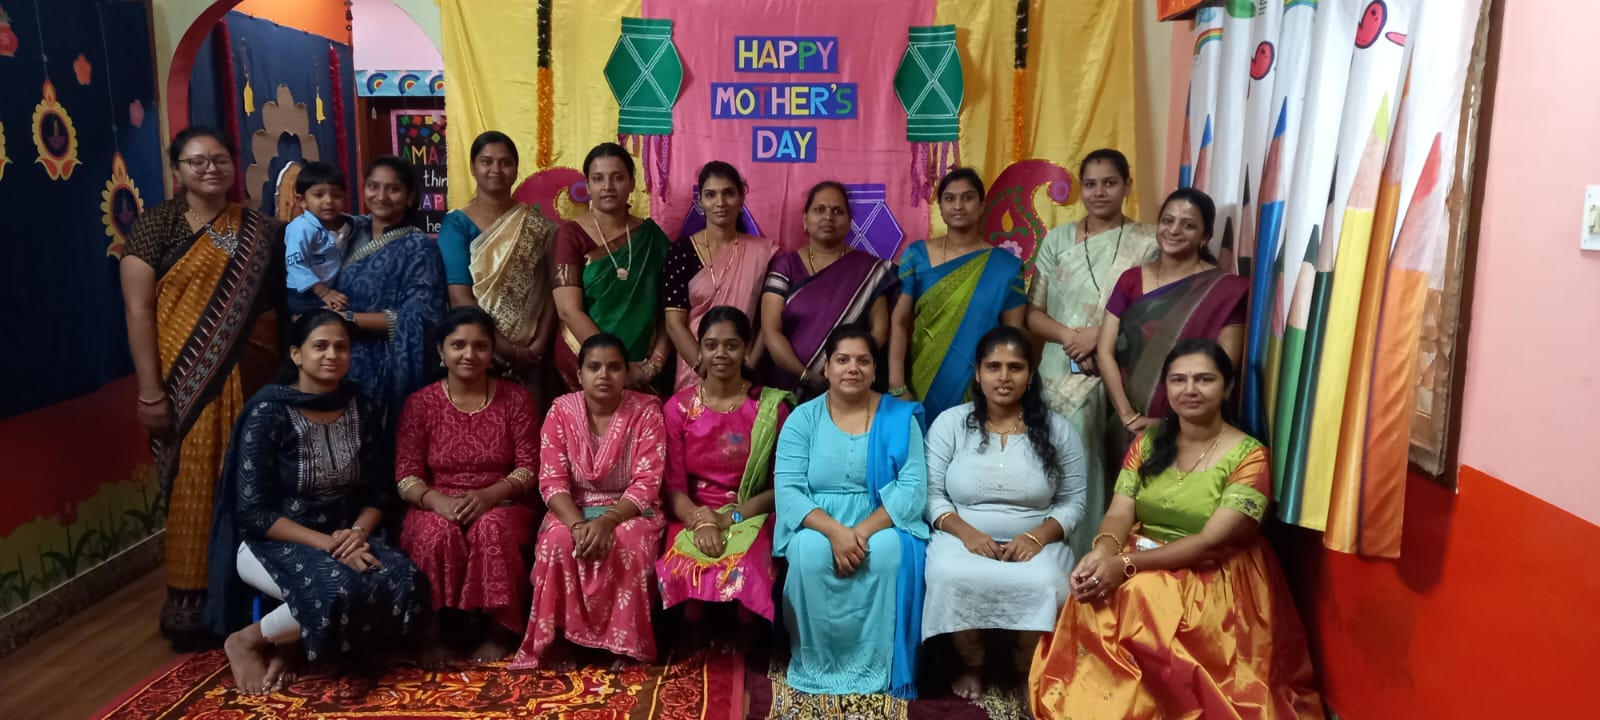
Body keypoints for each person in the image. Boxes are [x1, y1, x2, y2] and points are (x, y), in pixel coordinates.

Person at [1029, 339, 1324, 719]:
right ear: (1166, 387)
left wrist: (1126, 565)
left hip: (1215, 574)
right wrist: (1102, 553)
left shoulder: (1250, 456)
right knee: (1094, 582)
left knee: (1142, 596)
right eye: (1178, 379)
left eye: (1204, 379)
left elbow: (1211, 543)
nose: (1190, 389)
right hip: (1139, 555)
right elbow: (1119, 512)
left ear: (1228, 387)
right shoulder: (1148, 443)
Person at [121, 125, 285, 645]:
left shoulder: (260, 228)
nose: (210, 168)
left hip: (256, 379)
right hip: (184, 386)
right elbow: (139, 310)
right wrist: (150, 391)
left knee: (253, 486)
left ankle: (253, 604)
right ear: (178, 171)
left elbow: (279, 308)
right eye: (197, 161)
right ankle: (194, 608)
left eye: (219, 159)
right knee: (193, 488)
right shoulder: (157, 226)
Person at [204, 310, 424, 695]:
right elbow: (254, 513)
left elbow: (378, 493)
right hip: (273, 540)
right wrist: (330, 545)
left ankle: (291, 644)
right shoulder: (268, 413)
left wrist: (356, 535)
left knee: (404, 578)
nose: (332, 355)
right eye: (320, 346)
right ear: (296, 354)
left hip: (347, 534)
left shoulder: (361, 406)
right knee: (337, 590)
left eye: (341, 347)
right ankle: (247, 640)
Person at [922, 327, 1085, 700]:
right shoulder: (951, 423)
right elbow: (931, 494)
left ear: (1030, 375)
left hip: (1037, 540)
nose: (1004, 377)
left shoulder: (1059, 430)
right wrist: (968, 534)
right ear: (978, 373)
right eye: (993, 367)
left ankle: (1026, 665)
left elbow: (1073, 502)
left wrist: (1036, 538)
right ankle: (973, 664)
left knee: (1046, 580)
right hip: (960, 537)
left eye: (1015, 367)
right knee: (949, 574)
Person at [774, 325, 927, 698]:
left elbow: (913, 488)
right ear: (827, 368)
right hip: (817, 522)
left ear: (875, 370)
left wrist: (858, 533)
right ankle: (818, 663)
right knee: (809, 551)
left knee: (888, 552)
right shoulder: (802, 419)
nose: (852, 368)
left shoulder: (899, 419)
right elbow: (789, 491)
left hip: (881, 520)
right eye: (842, 360)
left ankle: (878, 664)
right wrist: (835, 533)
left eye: (863, 361)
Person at [1026, 149, 1159, 556]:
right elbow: (1033, 313)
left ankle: (1094, 559)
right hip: (1057, 373)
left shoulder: (1148, 242)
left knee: (1102, 464)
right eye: (1090, 184)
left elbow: (1153, 316)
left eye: (1109, 183)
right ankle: (1046, 557)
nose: (1099, 192)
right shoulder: (1057, 239)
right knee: (1053, 459)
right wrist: (1072, 337)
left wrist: (1100, 338)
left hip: (1120, 371)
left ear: (1127, 186)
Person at [511, 333, 667, 670]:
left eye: (614, 367)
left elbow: (647, 484)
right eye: (594, 367)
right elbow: (552, 482)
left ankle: (623, 645)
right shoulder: (560, 411)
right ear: (579, 374)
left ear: (626, 373)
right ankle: (560, 640)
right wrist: (579, 525)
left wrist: (608, 521)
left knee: (630, 542)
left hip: (630, 510)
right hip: (574, 510)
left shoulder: (646, 411)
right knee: (557, 541)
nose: (604, 375)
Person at [394, 307, 540, 666]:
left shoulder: (516, 399)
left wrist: (489, 496)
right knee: (435, 533)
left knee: (492, 529)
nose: (469, 354)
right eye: (458, 345)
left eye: (480, 346)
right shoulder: (420, 403)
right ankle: (429, 635)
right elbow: (406, 476)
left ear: (492, 352)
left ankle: (500, 631)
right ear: (441, 351)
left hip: (502, 501)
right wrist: (436, 501)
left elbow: (529, 468)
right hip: (436, 500)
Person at [655, 306, 790, 645]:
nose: (721, 354)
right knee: (685, 563)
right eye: (711, 345)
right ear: (699, 350)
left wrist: (729, 518)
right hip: (693, 511)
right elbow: (673, 488)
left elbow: (780, 488)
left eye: (732, 345)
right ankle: (695, 631)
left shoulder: (770, 408)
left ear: (747, 350)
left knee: (747, 564)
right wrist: (701, 521)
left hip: (751, 511)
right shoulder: (679, 408)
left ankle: (745, 636)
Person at [1098, 188, 1247, 439]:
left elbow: (1222, 367)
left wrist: (1170, 423)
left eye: (1188, 225)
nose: (1174, 230)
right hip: (1127, 425)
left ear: (1205, 237)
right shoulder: (1130, 280)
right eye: (1167, 220)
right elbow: (1105, 351)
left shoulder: (1226, 291)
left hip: (1191, 426)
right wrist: (1127, 415)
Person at [888, 168, 1025, 422]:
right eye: (950, 198)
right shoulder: (917, 256)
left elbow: (1013, 336)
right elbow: (899, 321)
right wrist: (897, 385)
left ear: (982, 206)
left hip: (982, 387)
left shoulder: (1005, 267)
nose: (958, 206)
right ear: (940, 207)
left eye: (968, 197)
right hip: (922, 379)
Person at [436, 131, 558, 407]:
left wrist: (537, 346)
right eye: (486, 161)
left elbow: (551, 291)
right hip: (476, 353)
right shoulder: (457, 224)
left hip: (532, 358)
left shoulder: (538, 225)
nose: (496, 169)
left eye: (505, 162)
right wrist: (506, 350)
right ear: (473, 167)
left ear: (516, 169)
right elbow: (460, 297)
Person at [335, 156, 448, 434]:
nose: (381, 196)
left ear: (410, 197)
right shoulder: (346, 233)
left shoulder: (419, 247)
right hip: (334, 358)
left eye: (393, 189)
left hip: (384, 368)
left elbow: (421, 318)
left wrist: (348, 319)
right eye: (373, 186)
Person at [760, 182, 899, 401]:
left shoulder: (869, 270)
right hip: (787, 386)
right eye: (819, 209)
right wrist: (805, 376)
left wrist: (848, 369)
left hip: (849, 387)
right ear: (805, 219)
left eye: (837, 211)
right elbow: (771, 331)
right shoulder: (785, 266)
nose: (828, 217)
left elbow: (879, 330)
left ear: (849, 221)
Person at [552, 143, 672, 394]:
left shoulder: (652, 237)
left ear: (631, 183)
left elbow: (669, 310)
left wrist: (655, 364)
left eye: (617, 177)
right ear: (587, 186)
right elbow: (568, 311)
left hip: (642, 368)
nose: (607, 186)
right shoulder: (570, 235)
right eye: (598, 178)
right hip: (584, 364)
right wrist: (617, 366)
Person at [660, 161, 777, 390]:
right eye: (711, 195)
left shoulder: (763, 253)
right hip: (693, 371)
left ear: (742, 198)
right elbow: (674, 324)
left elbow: (769, 322)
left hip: (744, 370)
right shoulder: (681, 253)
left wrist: (746, 369)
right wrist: (706, 370)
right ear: (701, 202)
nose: (720, 202)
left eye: (729, 193)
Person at [283, 161, 354, 315]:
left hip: (331, 288)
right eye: (318, 195)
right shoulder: (302, 227)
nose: (329, 201)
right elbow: (295, 264)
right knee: (331, 318)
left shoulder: (348, 223)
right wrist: (323, 292)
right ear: (301, 201)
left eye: (336, 195)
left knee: (346, 314)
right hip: (305, 294)